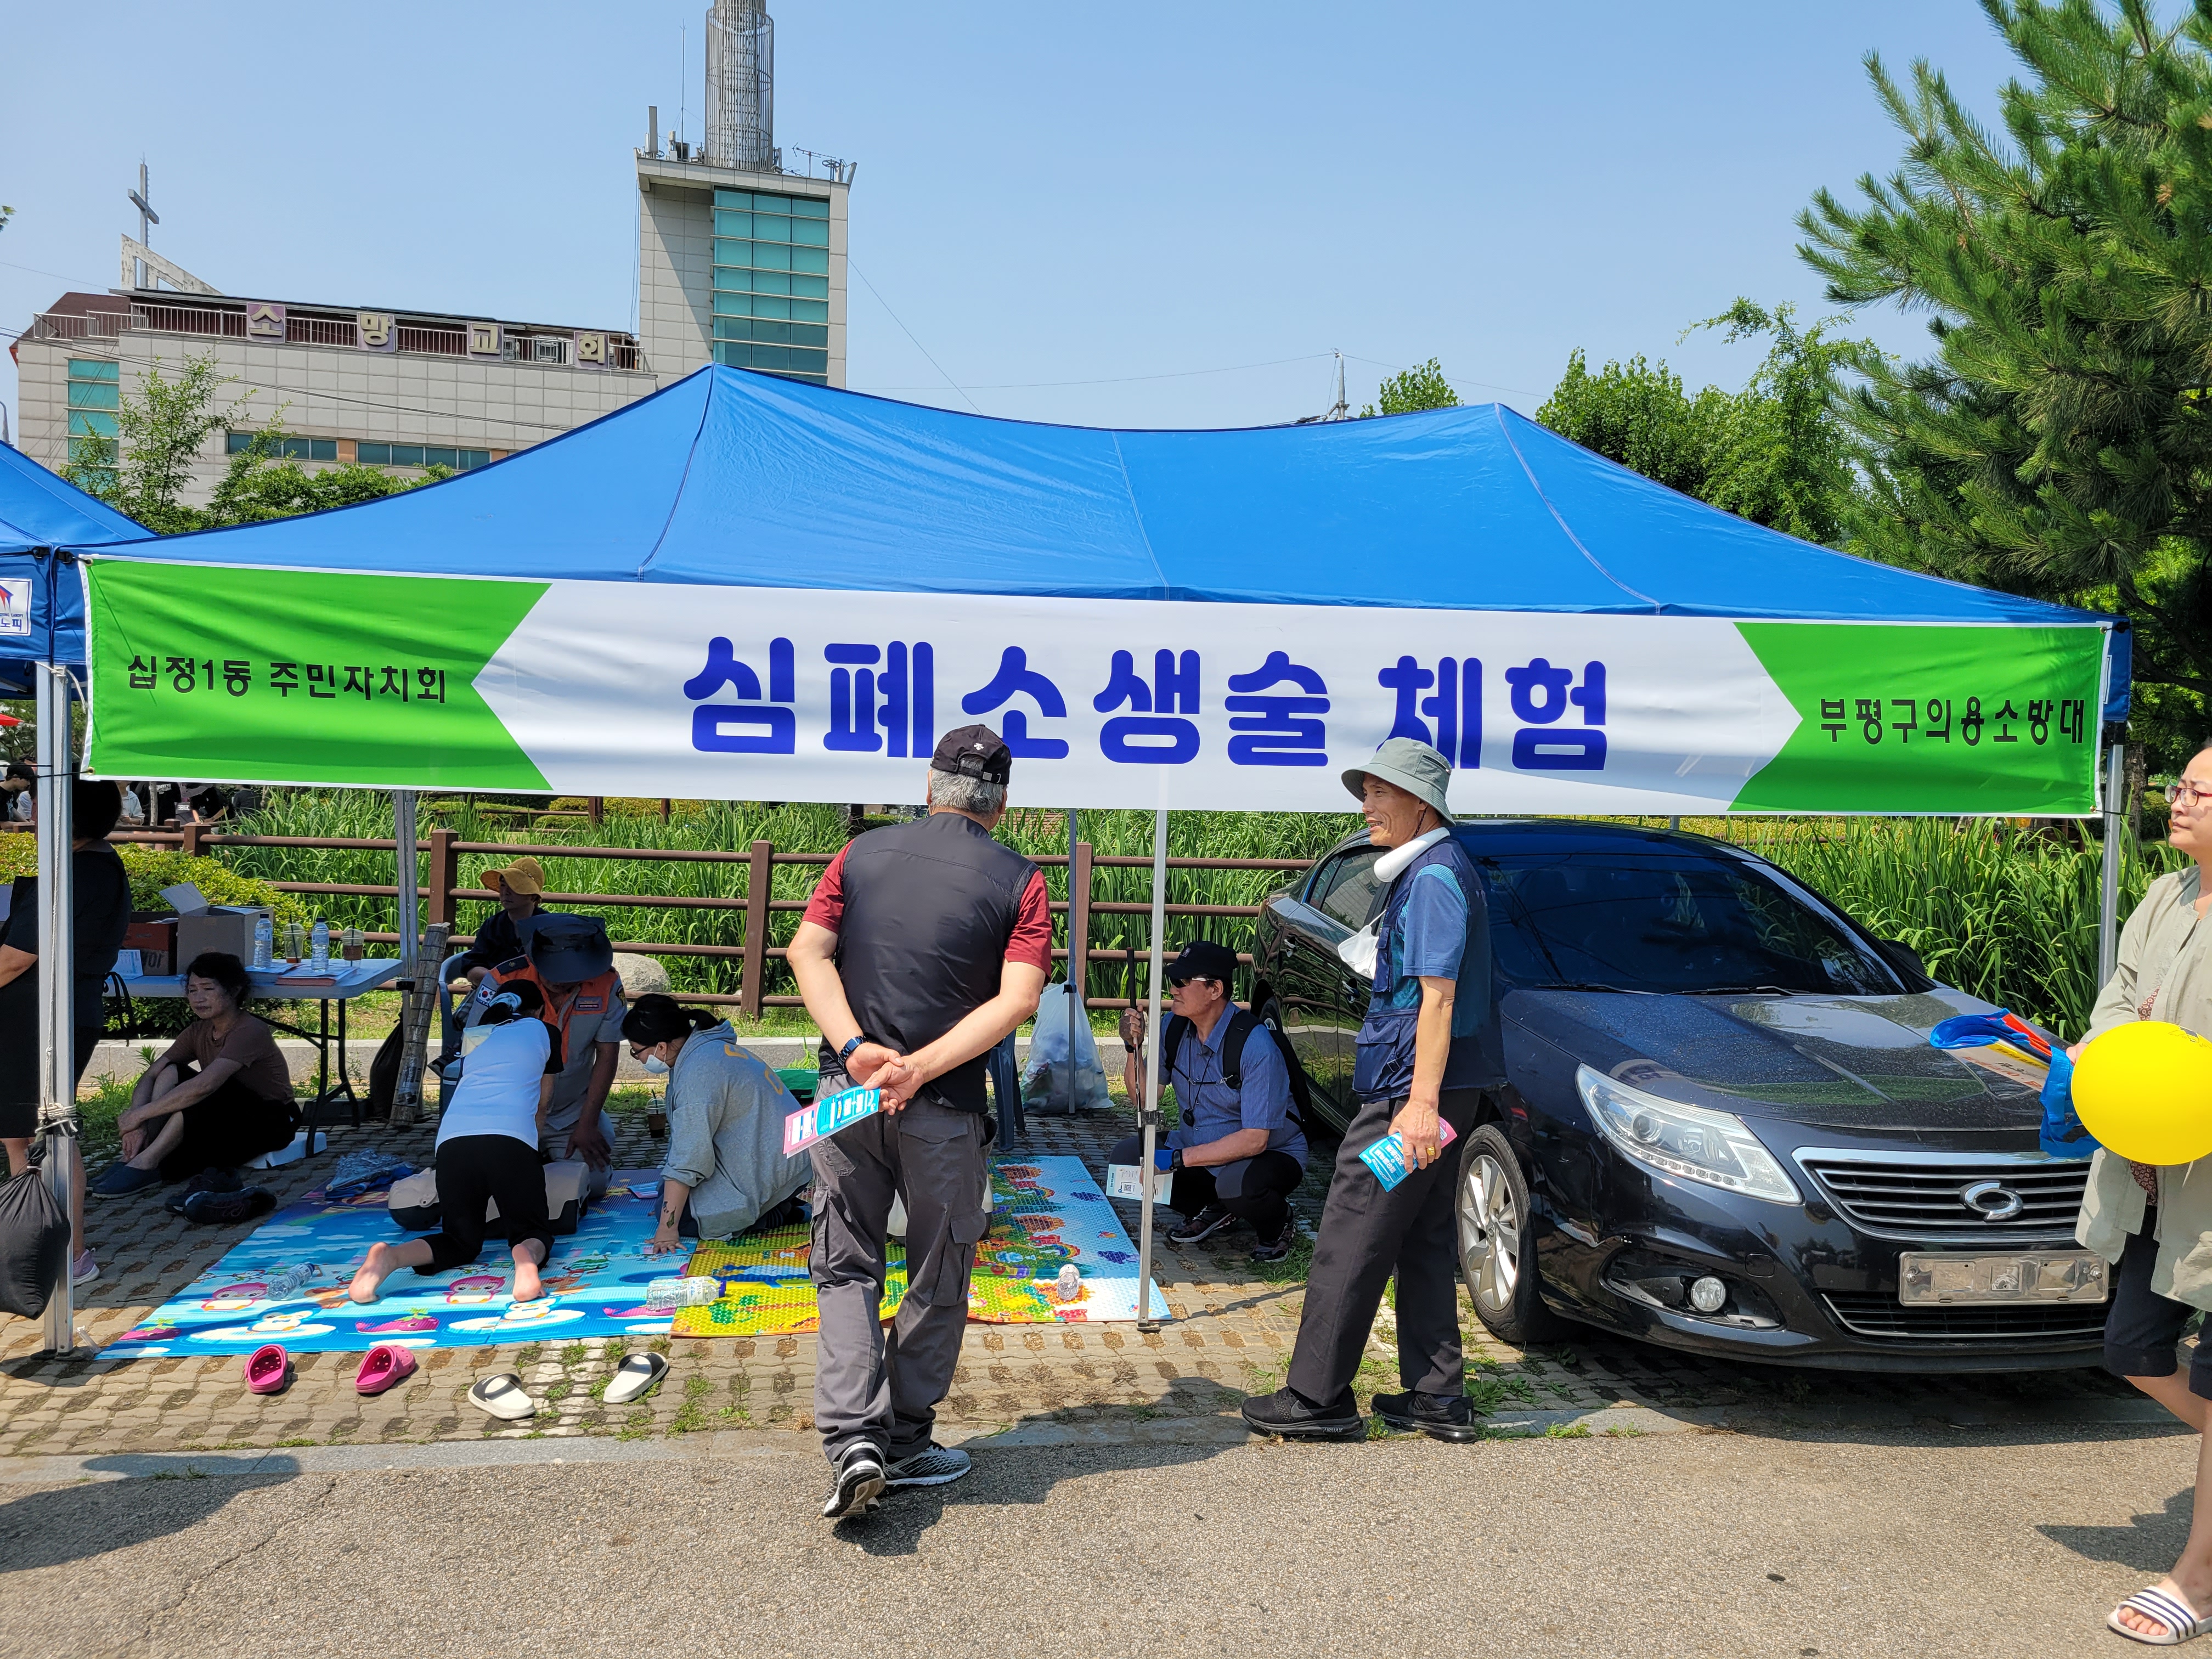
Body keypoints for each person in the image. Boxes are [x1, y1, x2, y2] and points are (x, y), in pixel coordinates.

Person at [787, 723, 1049, 1520]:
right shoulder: (1021, 880)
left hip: (849, 1093)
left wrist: (857, 1049)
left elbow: (806, 952)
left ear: (930, 787)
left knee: (845, 1264)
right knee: (939, 1268)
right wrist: (922, 1067)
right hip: (944, 1105)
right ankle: (903, 1438)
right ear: (1002, 804)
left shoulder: (857, 855)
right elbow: (1020, 999)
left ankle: (853, 1440)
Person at [1243, 737, 1499, 1445]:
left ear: (1422, 804)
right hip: (1438, 1089)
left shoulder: (1435, 878)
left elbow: (1438, 1000)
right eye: (1367, 792)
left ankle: (1316, 1397)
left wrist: (1418, 1106)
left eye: (1381, 792)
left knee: (1351, 1232)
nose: (1367, 805)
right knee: (1421, 1234)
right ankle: (1437, 1395)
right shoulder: (1437, 868)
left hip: (1408, 1095)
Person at [2076, 740, 2212, 1645]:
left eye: (2199, 790)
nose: (2178, 799)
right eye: (2180, 785)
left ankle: (2197, 1580)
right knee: (2132, 1346)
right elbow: (2119, 999)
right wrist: (2115, 1063)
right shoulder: (2166, 894)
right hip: (2151, 1174)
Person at [349, 980, 560, 1305]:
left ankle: (392, 1257)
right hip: (509, 1141)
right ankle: (525, 1258)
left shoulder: (476, 1035)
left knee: (460, 1240)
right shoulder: (546, 1031)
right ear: (540, 1010)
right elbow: (543, 1105)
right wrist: (532, 1153)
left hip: (452, 1142)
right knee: (532, 1231)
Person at [0, 776, 131, 1285]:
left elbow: (16, 958)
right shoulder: (92, 863)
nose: (31, 818)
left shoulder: (78, 871)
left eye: (39, 808)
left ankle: (65, 1255)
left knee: (47, 1133)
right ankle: (33, 1242)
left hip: (46, 1017)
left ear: (68, 815)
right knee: (24, 1133)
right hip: (47, 1013)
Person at [1112, 939, 1307, 1263]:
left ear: (1215, 989)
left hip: (1269, 1155)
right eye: (1173, 981)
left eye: (1183, 982)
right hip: (1201, 1150)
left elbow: (1256, 1140)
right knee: (1128, 1158)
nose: (1173, 990)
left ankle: (1278, 1223)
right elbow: (1143, 1100)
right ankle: (1215, 1207)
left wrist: (1177, 1159)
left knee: (1235, 1184)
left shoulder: (1255, 1045)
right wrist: (1133, 1047)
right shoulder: (1172, 1027)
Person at [95, 951, 298, 1196]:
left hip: (271, 1121)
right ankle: (141, 1150)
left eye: (208, 989)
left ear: (234, 991)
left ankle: (147, 1162)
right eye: (192, 990)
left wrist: (139, 1114)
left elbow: (206, 1086)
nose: (199, 998)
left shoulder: (250, 1030)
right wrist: (136, 1124)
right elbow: (151, 1075)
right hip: (226, 1114)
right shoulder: (198, 1031)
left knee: (201, 1092)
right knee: (170, 1072)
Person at [625, 994, 811, 1255]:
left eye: (637, 1052)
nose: (639, 1059)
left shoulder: (699, 1070)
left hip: (778, 1167)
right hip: (785, 1158)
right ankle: (778, 1205)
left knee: (684, 1218)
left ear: (661, 1047)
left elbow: (690, 1156)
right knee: (669, 1194)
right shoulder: (706, 1049)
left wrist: (668, 1229)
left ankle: (776, 1214)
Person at [488, 914, 625, 1194]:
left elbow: (607, 1055)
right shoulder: (503, 979)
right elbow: (475, 1050)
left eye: (574, 974)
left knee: (593, 1185)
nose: (563, 982)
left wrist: (587, 1123)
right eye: (556, 972)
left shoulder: (607, 982)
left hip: (569, 1114)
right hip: (509, 1114)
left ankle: (553, 1160)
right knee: (494, 1189)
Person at [450, 856, 549, 988]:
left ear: (533, 896)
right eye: (503, 885)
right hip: (495, 991)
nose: (505, 892)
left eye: (514, 887)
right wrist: (496, 981)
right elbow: (474, 965)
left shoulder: (549, 927)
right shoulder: (492, 926)